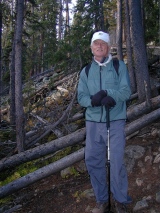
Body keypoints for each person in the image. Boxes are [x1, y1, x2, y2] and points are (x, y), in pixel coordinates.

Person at [77, 31, 132, 213]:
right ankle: (102, 199)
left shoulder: (118, 66)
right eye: (96, 43)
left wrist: (109, 94)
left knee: (116, 161)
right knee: (93, 161)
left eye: (103, 43)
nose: (99, 46)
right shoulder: (86, 71)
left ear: (108, 48)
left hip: (115, 120)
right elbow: (81, 97)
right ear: (91, 48)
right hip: (93, 123)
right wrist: (93, 100)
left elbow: (125, 92)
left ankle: (120, 200)